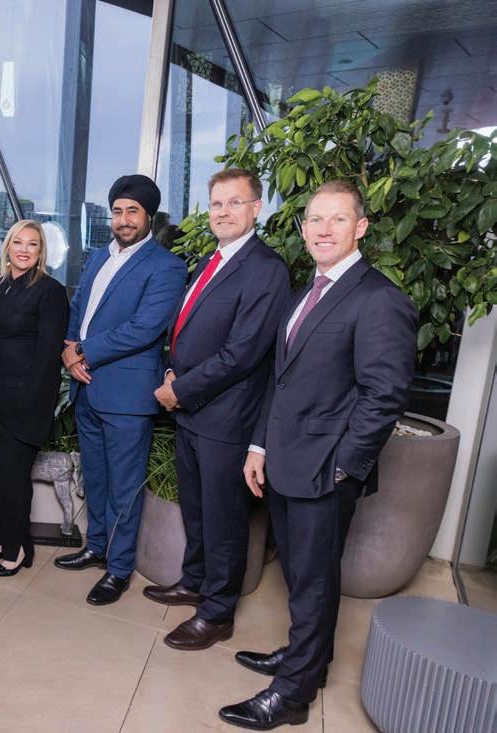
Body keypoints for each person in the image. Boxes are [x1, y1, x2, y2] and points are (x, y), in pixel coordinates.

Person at [219, 181, 417, 730]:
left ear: (361, 227)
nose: (323, 230)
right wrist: (259, 444)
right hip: (285, 461)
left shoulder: (378, 299)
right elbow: (280, 380)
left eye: (338, 219)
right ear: (303, 228)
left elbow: (385, 396)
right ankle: (311, 659)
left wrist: (343, 466)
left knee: (313, 581)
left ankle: (292, 694)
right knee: (304, 577)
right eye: (314, 219)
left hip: (325, 470)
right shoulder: (307, 292)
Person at [146, 169, 291, 650]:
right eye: (216, 204)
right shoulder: (212, 259)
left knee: (224, 519)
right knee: (197, 510)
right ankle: (194, 581)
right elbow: (187, 328)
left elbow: (243, 353)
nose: (223, 212)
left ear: (257, 208)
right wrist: (173, 372)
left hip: (226, 417)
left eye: (234, 202)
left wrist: (180, 390)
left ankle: (217, 612)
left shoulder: (266, 269)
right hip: (193, 411)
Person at [54, 174, 186, 606]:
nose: (124, 219)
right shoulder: (97, 257)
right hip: (87, 388)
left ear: (149, 216)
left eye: (133, 211)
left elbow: (144, 328)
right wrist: (69, 351)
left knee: (124, 488)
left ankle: (119, 567)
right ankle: (96, 546)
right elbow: (78, 308)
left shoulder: (166, 266)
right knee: (95, 478)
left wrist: (83, 351)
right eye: (117, 211)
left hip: (127, 396)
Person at [0, 220, 69, 577]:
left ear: (41, 251)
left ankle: (16, 550)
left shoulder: (50, 291)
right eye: (18, 242)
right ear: (8, 247)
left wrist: (32, 401)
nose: (24, 249)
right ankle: (5, 536)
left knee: (14, 475)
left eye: (32, 244)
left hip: (24, 399)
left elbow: (48, 356)